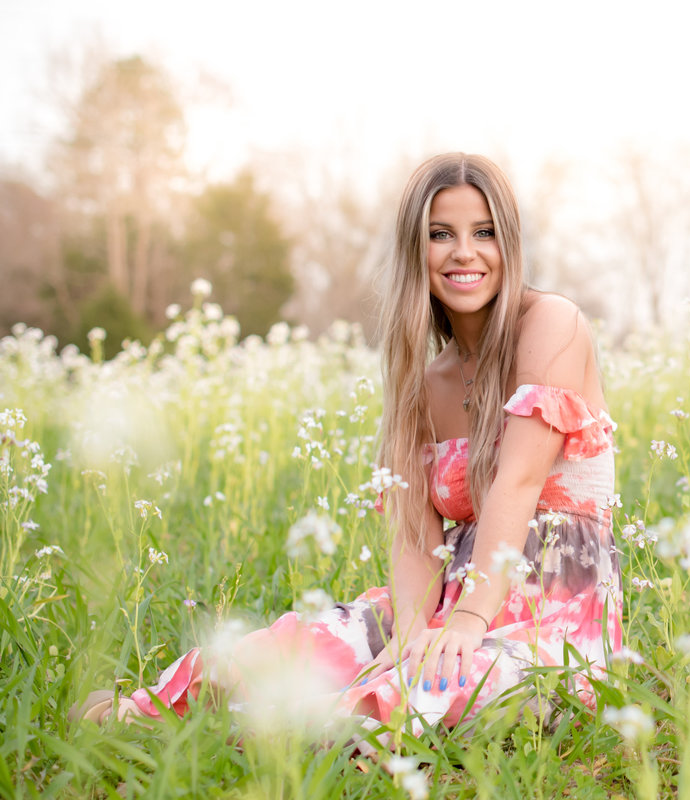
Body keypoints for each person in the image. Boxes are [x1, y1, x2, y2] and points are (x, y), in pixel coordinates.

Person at [72, 153, 623, 745]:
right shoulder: (425, 377)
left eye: (484, 232)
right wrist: (412, 632)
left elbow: (517, 482)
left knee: (409, 698)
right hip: (447, 608)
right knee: (287, 653)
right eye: (441, 234)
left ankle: (246, 739)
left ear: (508, 244)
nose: (465, 252)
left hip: (549, 627)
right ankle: (138, 717)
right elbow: (417, 533)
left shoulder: (552, 324)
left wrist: (465, 621)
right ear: (417, 250)